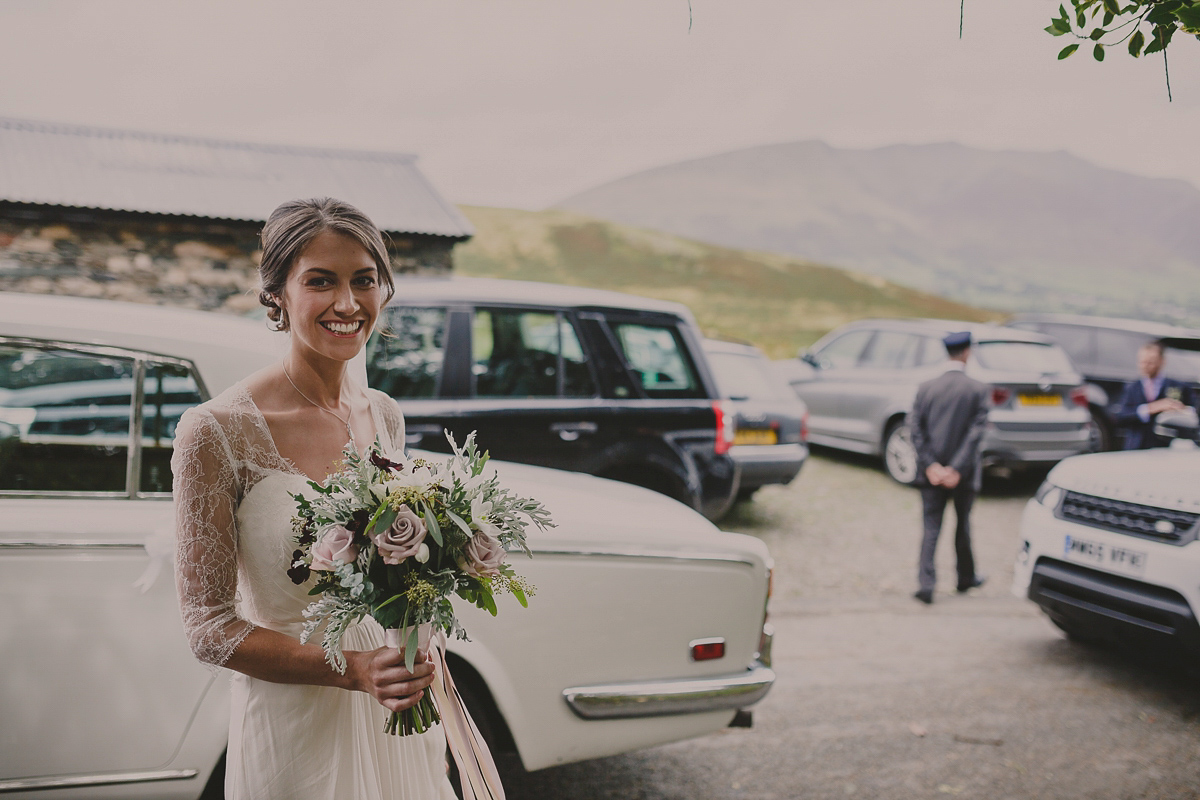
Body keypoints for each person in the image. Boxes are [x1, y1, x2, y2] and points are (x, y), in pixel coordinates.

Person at [171, 198, 459, 799]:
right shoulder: (216, 431)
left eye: (365, 280)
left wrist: (415, 634)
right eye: (320, 281)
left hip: (392, 716)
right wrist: (352, 670)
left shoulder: (383, 414)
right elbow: (209, 628)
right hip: (294, 726)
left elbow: (396, 574)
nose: (348, 304)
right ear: (277, 293)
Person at [909, 331, 989, 605]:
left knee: (931, 527)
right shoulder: (978, 389)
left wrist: (931, 465)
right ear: (966, 352)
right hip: (963, 475)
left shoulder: (926, 387)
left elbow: (915, 430)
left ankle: (926, 585)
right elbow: (975, 434)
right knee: (962, 526)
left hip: (930, 474)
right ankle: (965, 579)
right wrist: (956, 469)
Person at [1113, 340, 1191, 450]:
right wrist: (1150, 408)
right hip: (1137, 447)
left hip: (1167, 447)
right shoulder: (1132, 387)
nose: (1145, 366)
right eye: (1142, 362)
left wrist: (1181, 410)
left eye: (1150, 362)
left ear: (1161, 361)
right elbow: (1121, 417)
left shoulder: (1177, 387)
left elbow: (1192, 414)